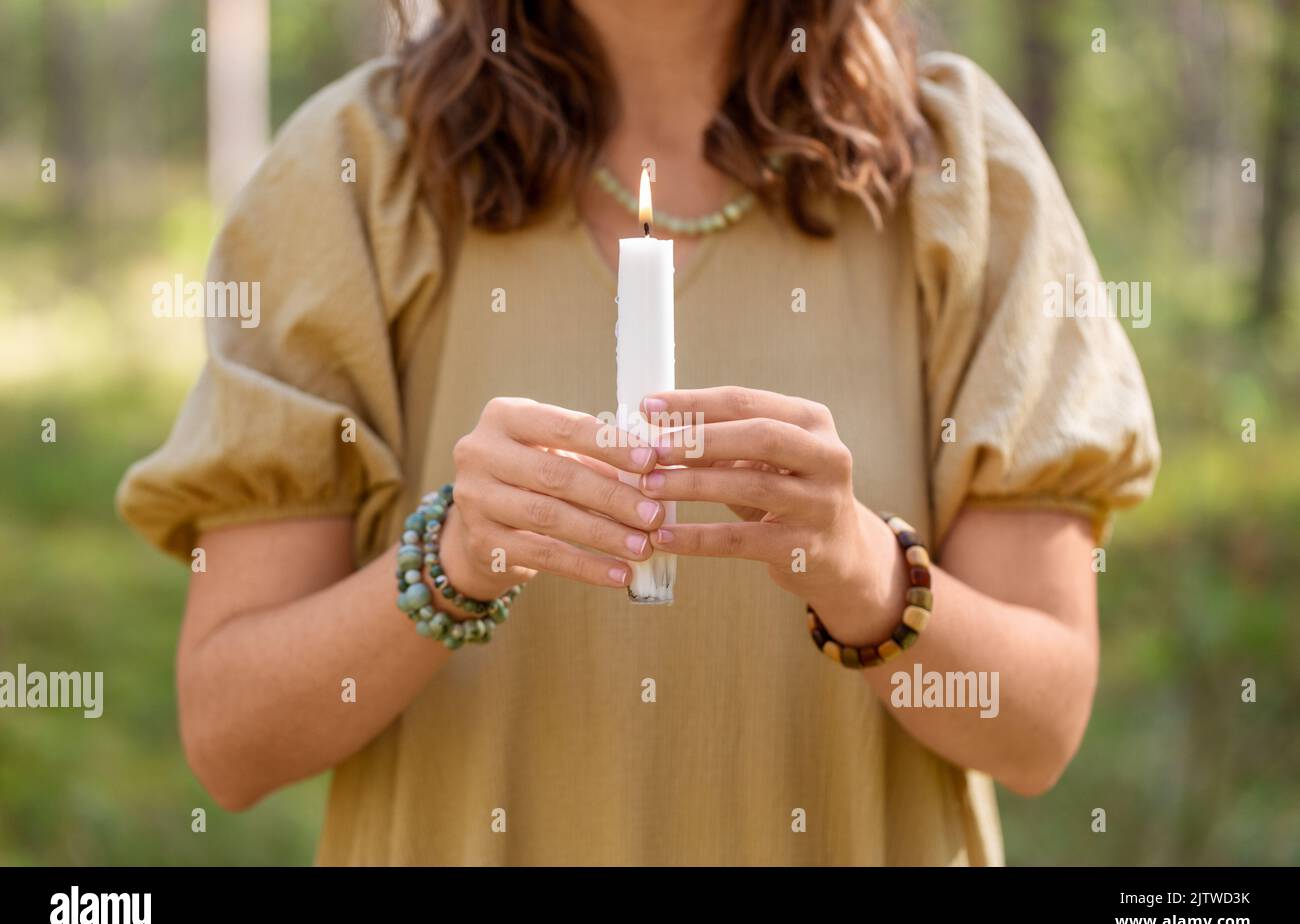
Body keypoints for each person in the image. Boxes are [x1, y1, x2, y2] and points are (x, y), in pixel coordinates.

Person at [117, 0, 1160, 865]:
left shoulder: (961, 172)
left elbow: (1037, 728)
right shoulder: (356, 171)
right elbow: (232, 736)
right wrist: (451, 558)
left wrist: (861, 573)